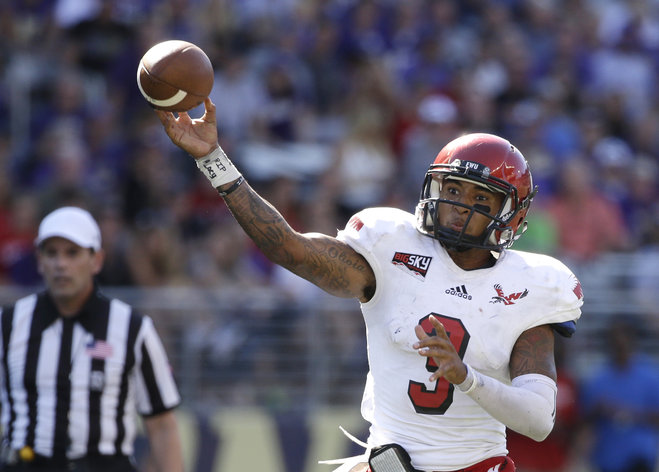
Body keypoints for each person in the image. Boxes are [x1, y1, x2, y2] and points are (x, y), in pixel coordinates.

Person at [156, 99, 584, 472]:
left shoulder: (530, 284)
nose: (457, 207)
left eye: (479, 199)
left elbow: (538, 418)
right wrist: (213, 158)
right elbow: (291, 250)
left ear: (511, 215)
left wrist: (466, 377)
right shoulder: (391, 246)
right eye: (453, 189)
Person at [0, 207, 183, 472]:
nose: (61, 264)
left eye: (72, 253)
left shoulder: (132, 328)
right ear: (39, 261)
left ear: (96, 260)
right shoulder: (9, 324)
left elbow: (163, 425)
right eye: (52, 253)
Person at [580, 314, 659, 472]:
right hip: (608, 458)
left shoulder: (651, 376)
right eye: (614, 336)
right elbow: (584, 421)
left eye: (623, 335)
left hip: (640, 458)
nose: (619, 341)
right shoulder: (598, 379)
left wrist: (626, 413)